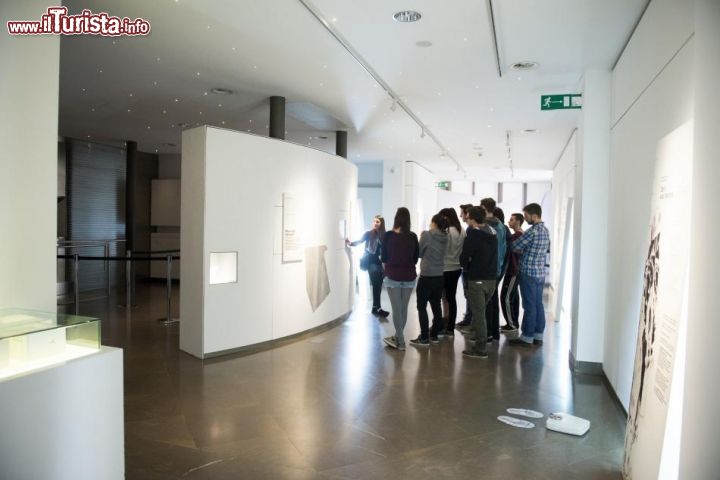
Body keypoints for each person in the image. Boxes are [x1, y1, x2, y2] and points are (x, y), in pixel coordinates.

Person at [509, 203, 551, 347]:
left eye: (526, 216)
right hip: (540, 273)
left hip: (528, 273)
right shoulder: (545, 231)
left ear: (534, 215)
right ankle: (538, 336)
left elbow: (515, 246)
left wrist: (522, 250)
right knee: (539, 305)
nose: (525, 219)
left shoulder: (532, 231)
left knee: (529, 306)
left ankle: (526, 337)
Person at [459, 206, 498, 359]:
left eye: (468, 217)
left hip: (477, 280)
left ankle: (480, 349)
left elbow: (464, 258)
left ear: (473, 219)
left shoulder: (473, 235)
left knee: (479, 314)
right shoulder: (492, 233)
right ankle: (479, 340)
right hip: (491, 280)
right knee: (481, 312)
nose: (466, 219)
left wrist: (467, 265)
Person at [381, 207, 419, 351]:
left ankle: (401, 342)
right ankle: (397, 337)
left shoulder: (389, 236)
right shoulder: (413, 236)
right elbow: (415, 258)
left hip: (393, 275)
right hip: (409, 276)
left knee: (397, 309)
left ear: (396, 218)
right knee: (403, 309)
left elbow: (384, 257)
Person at [410, 213, 449, 347]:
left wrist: (422, 237)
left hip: (426, 275)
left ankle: (424, 337)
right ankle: (434, 335)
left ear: (434, 223)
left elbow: (419, 253)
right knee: (436, 305)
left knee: (421, 307)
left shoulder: (427, 234)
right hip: (439, 275)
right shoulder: (446, 236)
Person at [346, 215, 388, 317]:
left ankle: (375, 308)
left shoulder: (385, 236)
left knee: (377, 286)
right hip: (371, 263)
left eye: (377, 222)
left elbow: (387, 250)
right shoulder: (369, 234)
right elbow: (359, 241)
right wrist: (350, 243)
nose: (375, 223)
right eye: (374, 221)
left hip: (381, 264)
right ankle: (378, 308)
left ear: (382, 223)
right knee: (376, 285)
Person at [479, 198, 507, 343]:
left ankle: (488, 333)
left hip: (489, 270)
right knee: (493, 301)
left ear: (484, 208)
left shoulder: (489, 227)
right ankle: (494, 332)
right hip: (497, 268)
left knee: (487, 302)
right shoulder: (500, 225)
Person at [438, 207, 465, 338]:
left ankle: (442, 323)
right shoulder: (462, 231)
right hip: (456, 268)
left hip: (444, 268)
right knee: (451, 298)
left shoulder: (446, 232)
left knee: (442, 298)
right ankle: (450, 328)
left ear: (447, 218)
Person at [500, 213, 524, 332]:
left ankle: (512, 324)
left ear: (518, 221)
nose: (509, 222)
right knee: (513, 297)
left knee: (506, 297)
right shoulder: (518, 235)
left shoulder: (517, 236)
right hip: (513, 271)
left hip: (513, 271)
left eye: (511, 220)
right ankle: (513, 322)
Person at [456, 203, 475, 329]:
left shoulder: (471, 230)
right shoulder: (469, 229)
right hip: (469, 267)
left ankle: (469, 319)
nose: (461, 215)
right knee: (468, 294)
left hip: (469, 268)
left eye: (462, 213)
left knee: (469, 294)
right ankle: (469, 317)